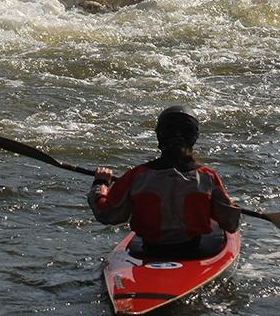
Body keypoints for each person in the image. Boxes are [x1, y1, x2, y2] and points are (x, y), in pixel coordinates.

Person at [88, 106, 241, 257]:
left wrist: (101, 184)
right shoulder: (207, 176)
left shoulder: (137, 176)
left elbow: (106, 214)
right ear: (193, 139)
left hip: (151, 250)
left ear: (160, 137)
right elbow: (232, 223)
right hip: (191, 249)